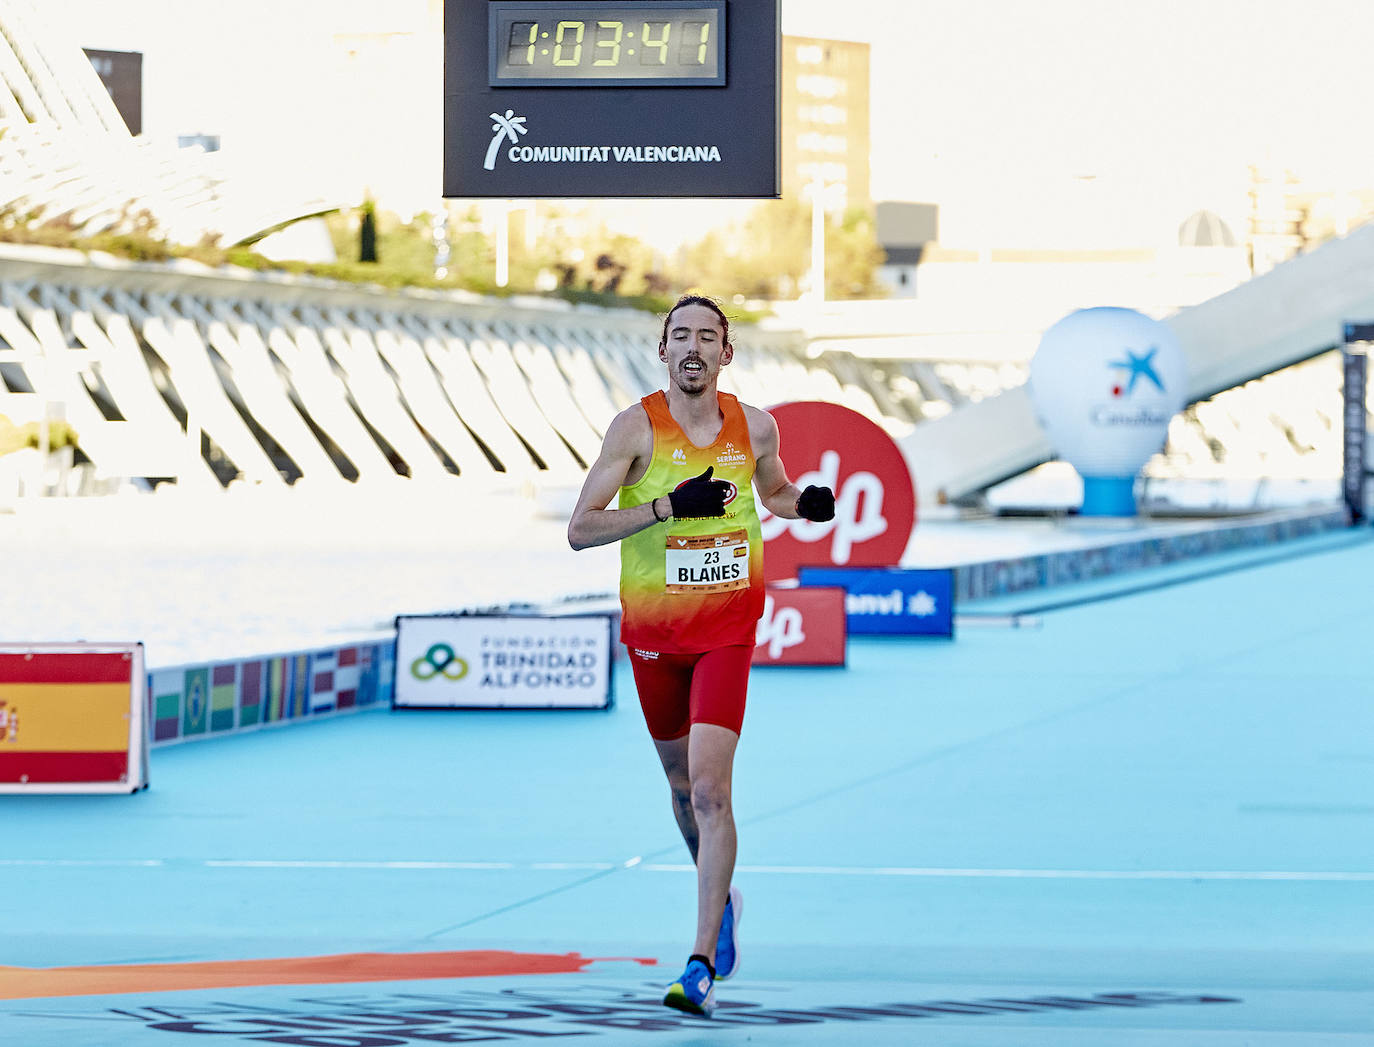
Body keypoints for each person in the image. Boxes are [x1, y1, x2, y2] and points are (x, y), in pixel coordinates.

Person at [567, 293, 835, 1017]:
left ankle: (699, 961)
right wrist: (663, 508)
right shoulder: (635, 428)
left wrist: (800, 505)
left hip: (727, 625)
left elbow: (772, 490)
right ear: (663, 351)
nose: (692, 346)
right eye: (679, 335)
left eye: (706, 336)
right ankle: (725, 897)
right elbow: (581, 529)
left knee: (714, 790)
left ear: (727, 352)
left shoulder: (758, 425)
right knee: (683, 791)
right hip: (656, 635)